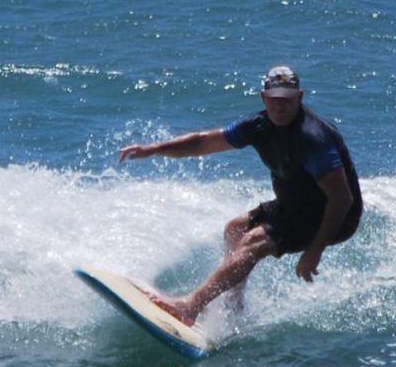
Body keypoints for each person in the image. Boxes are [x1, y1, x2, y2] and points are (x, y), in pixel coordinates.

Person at [118, 65, 362, 327]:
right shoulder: (257, 126)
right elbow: (204, 141)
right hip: (295, 204)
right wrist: (155, 149)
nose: (280, 106)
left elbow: (341, 199)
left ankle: (190, 306)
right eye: (274, 99)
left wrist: (315, 250)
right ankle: (233, 309)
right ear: (264, 98)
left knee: (255, 241)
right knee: (235, 230)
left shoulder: (313, 138)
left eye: (287, 100)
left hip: (333, 214)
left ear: (299, 97)